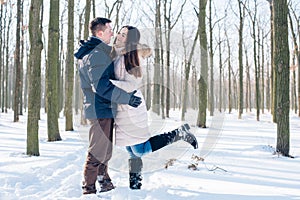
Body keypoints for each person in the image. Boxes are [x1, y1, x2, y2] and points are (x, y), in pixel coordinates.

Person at [109, 25, 199, 190]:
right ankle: (135, 184)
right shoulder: (117, 54)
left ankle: (178, 134)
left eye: (124, 35)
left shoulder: (132, 57)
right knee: (131, 148)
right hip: (122, 106)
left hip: (131, 106)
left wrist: (107, 84)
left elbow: (131, 85)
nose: (119, 37)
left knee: (139, 150)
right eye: (120, 33)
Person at [74, 18, 142, 195]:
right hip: (99, 109)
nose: (113, 33)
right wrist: (126, 98)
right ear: (100, 33)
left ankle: (104, 182)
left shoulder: (100, 52)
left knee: (105, 151)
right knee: (97, 151)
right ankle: (88, 189)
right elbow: (101, 86)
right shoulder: (96, 54)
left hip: (104, 108)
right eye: (110, 30)